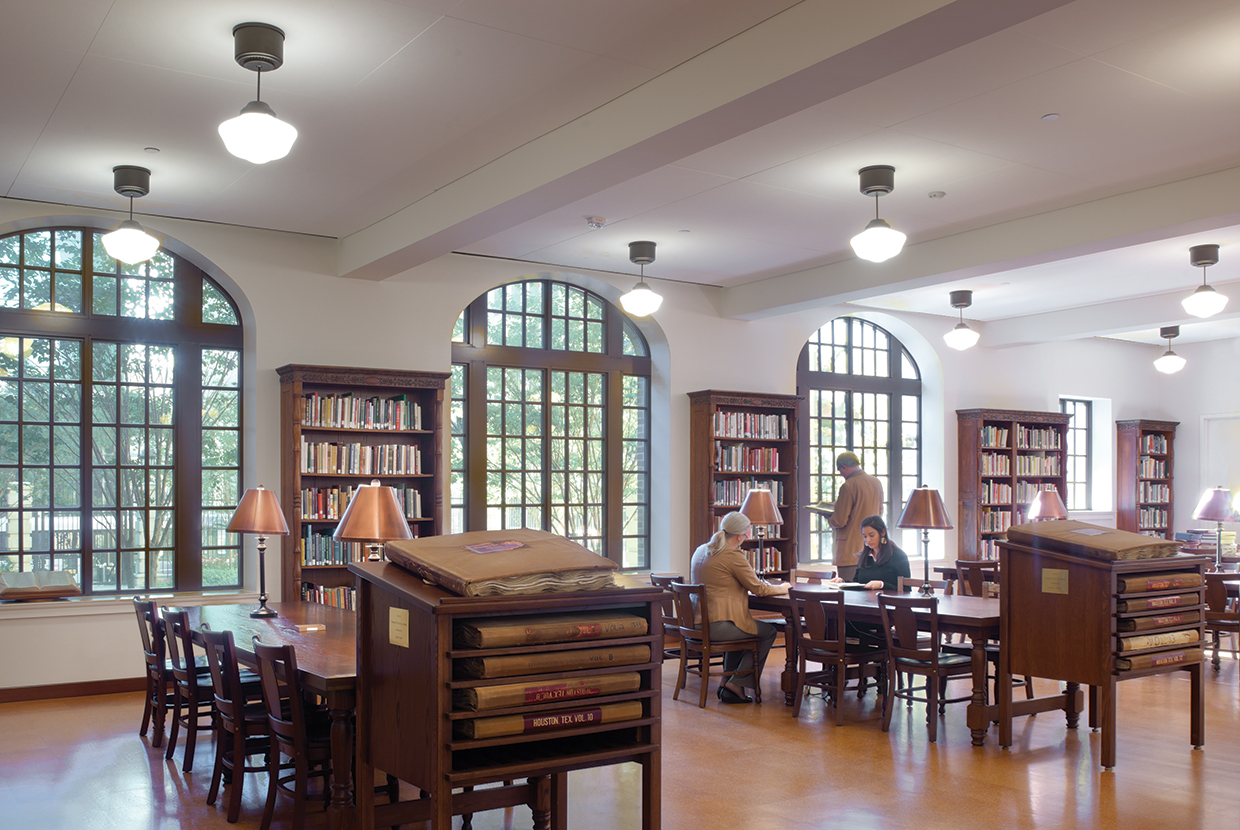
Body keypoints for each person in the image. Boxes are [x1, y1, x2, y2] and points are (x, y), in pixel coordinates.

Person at [689, 511, 789, 704]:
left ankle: (728, 682)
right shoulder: (732, 555)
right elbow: (759, 588)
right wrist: (783, 587)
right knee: (767, 632)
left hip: (696, 623)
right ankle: (736, 683)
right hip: (717, 625)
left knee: (742, 630)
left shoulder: (702, 549)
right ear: (742, 534)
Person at [826, 451, 884, 581]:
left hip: (850, 550)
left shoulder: (848, 485)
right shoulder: (876, 483)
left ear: (844, 467)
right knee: (867, 594)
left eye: (840, 471)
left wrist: (829, 517)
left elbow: (840, 520)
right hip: (871, 548)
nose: (841, 474)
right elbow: (879, 511)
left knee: (849, 592)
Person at [831, 515, 910, 590]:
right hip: (866, 602)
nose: (868, 540)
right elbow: (858, 584)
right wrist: (843, 582)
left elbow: (906, 589)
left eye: (871, 535)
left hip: (889, 602)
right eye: (865, 536)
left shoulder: (898, 556)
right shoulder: (865, 556)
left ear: (883, 532)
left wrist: (882, 585)